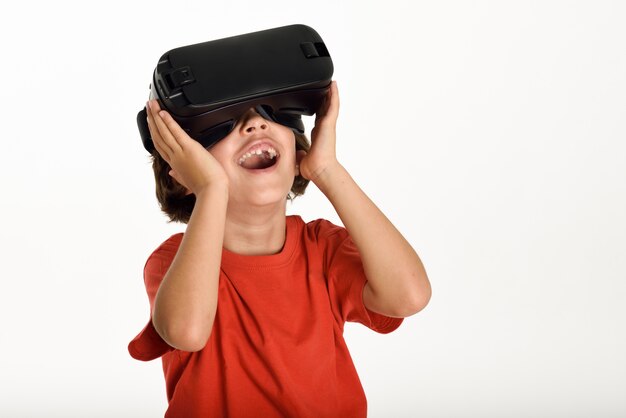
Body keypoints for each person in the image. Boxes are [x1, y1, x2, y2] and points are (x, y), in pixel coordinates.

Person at [128, 80, 431, 417]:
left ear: (297, 152)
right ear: (183, 176)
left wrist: (327, 170)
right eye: (222, 124)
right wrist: (212, 188)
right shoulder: (172, 261)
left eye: (270, 113)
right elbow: (187, 331)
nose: (255, 123)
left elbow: (409, 295)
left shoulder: (322, 247)